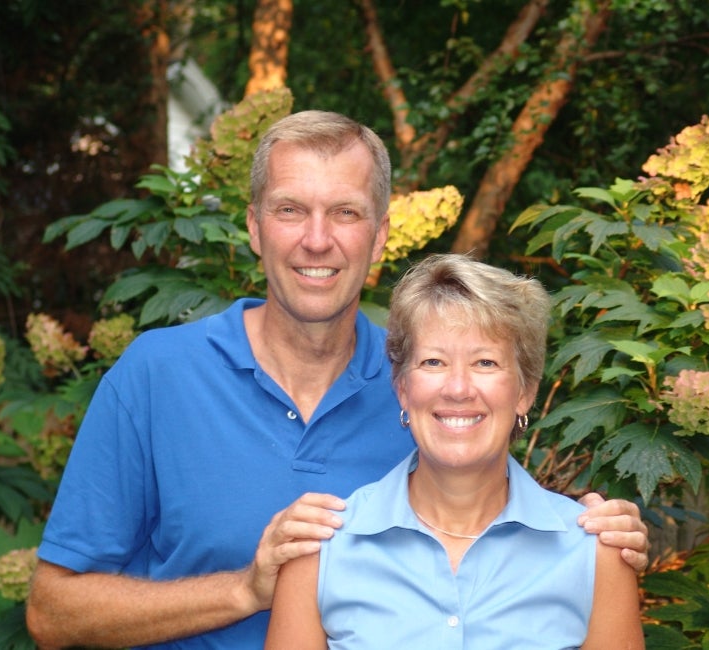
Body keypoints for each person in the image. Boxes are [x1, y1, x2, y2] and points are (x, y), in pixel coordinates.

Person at [26, 110, 648, 650]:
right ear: (253, 226)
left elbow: (495, 523)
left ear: (379, 235)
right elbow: (52, 613)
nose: (316, 240)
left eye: (344, 213)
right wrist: (244, 590)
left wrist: (597, 539)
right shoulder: (157, 376)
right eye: (290, 210)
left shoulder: (425, 382)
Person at [265, 254, 645, 650]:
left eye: (485, 362)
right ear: (402, 389)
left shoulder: (595, 554)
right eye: (434, 362)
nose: (458, 388)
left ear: (525, 391)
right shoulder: (319, 551)